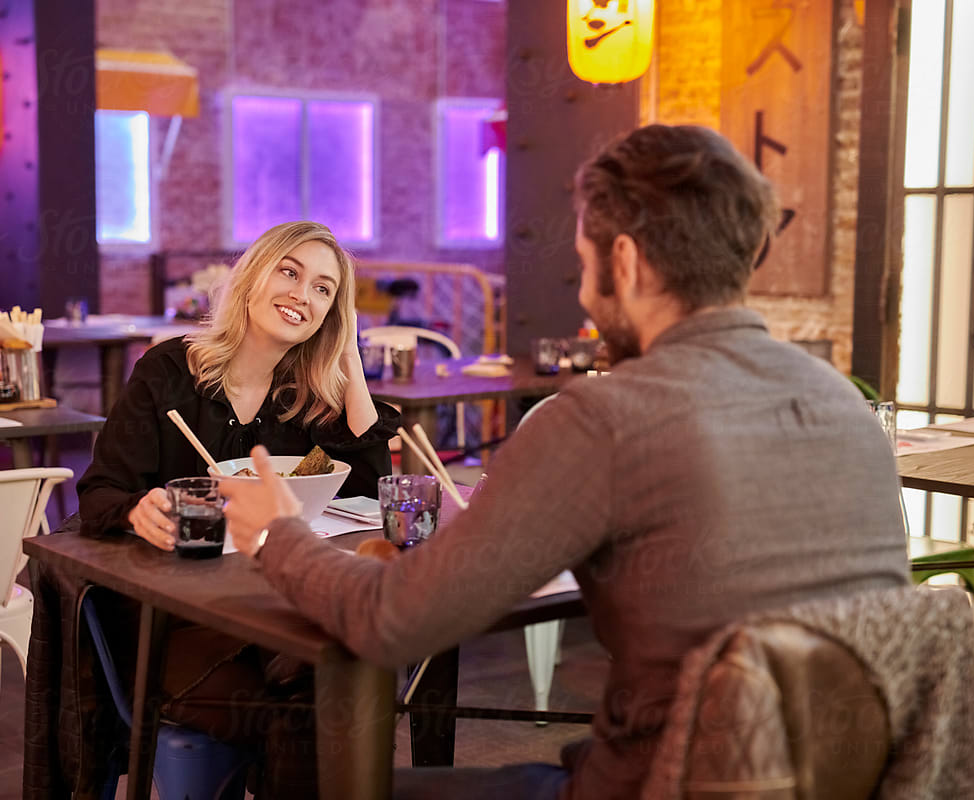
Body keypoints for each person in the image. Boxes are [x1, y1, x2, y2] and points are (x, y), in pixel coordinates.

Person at [216, 125, 911, 800]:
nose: (583, 292)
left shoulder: (604, 417)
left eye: (584, 264)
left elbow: (390, 621)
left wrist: (279, 535)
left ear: (629, 263)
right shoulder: (841, 400)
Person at [75, 219, 401, 797]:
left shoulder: (306, 398)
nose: (303, 295)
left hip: (267, 607)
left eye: (325, 290)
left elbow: (374, 500)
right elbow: (99, 490)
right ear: (253, 276)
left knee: (330, 684)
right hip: (171, 618)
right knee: (302, 713)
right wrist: (135, 511)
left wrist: (348, 354)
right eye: (290, 271)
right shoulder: (171, 370)